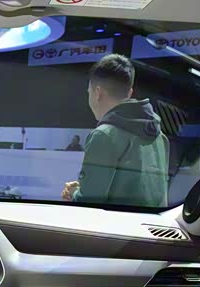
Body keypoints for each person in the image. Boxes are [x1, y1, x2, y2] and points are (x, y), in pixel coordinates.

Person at [62, 54, 170, 208]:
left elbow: (90, 202)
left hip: (115, 223)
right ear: (129, 92)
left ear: (98, 93)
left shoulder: (104, 135)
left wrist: (73, 192)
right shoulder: (159, 136)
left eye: (89, 92)